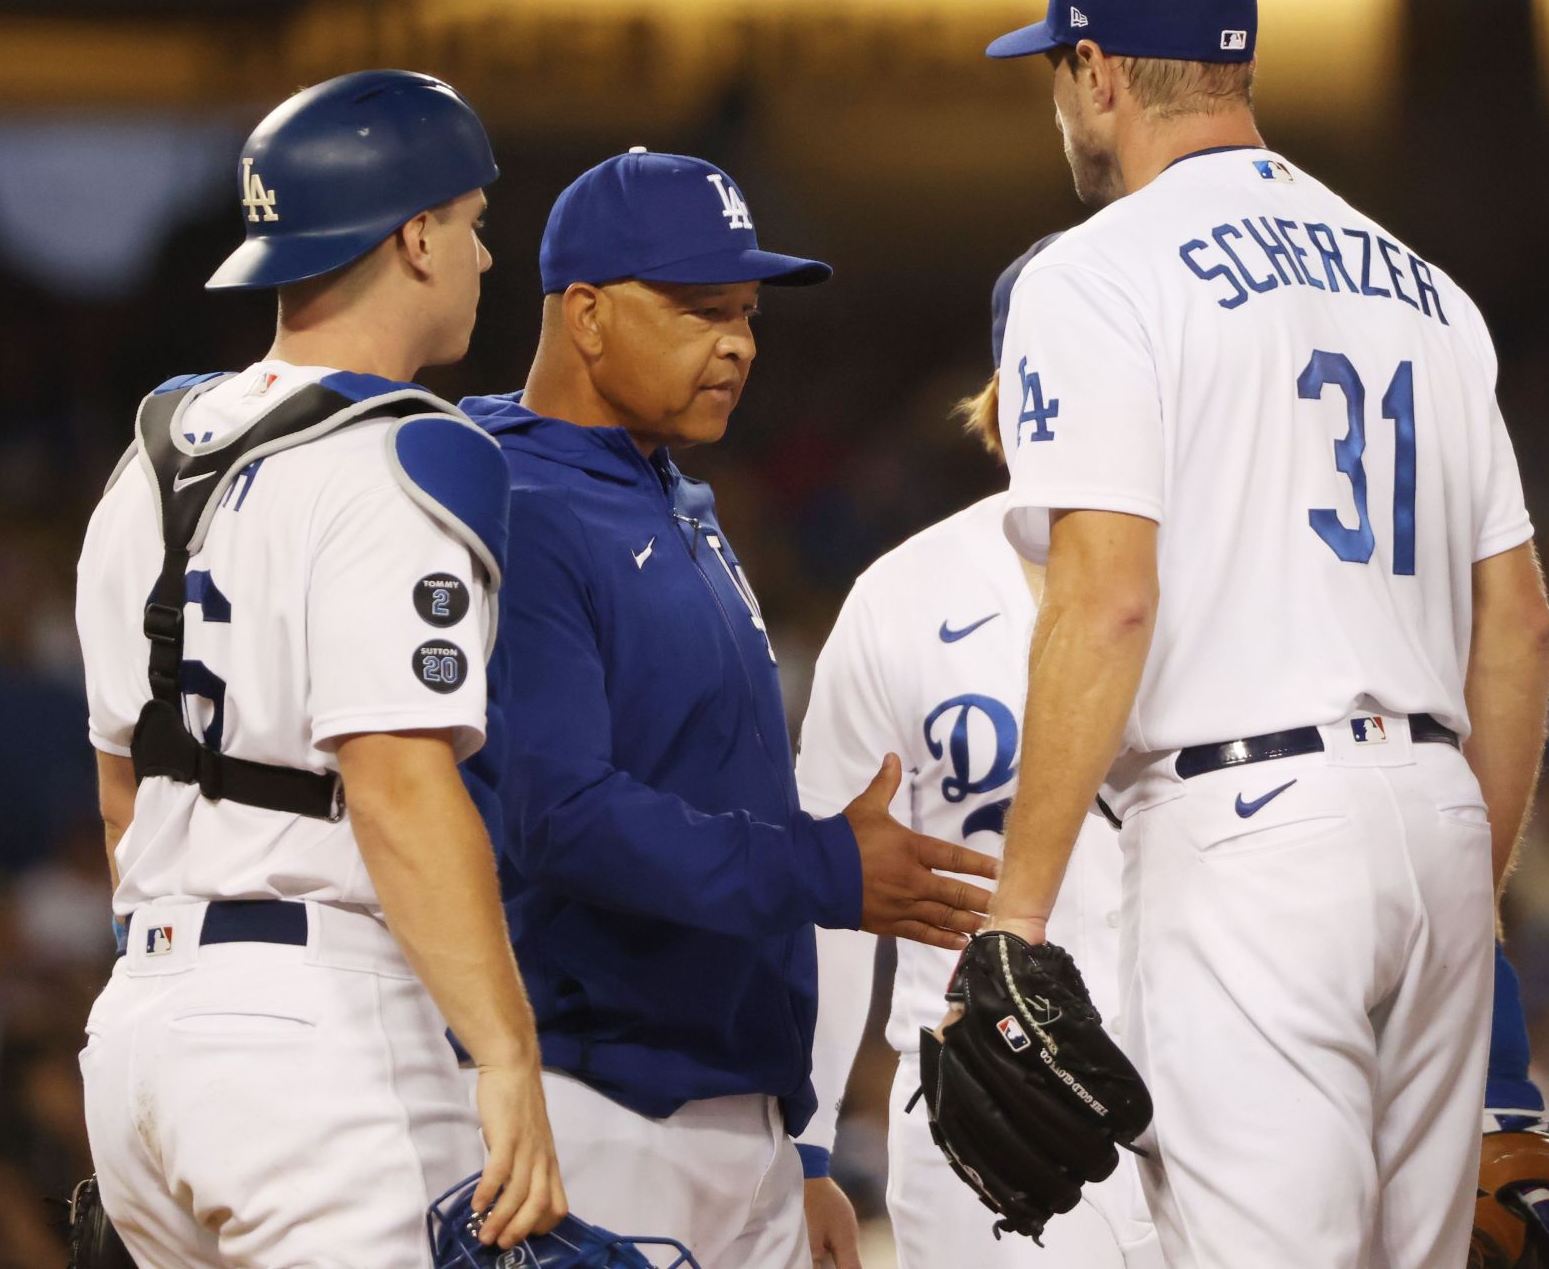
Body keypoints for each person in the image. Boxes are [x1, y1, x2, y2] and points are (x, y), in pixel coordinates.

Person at [957, 0, 1549, 1265]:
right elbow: (1520, 625)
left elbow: (1106, 595)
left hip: (1250, 834)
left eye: (1057, 74)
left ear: (1096, 66)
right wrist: (1463, 886)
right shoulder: (1427, 288)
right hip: (1440, 816)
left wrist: (1015, 916)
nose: (1061, 103)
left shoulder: (1097, 267)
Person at [458, 149, 1000, 1269]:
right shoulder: (517, 499)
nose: (740, 342)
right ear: (589, 314)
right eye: (701, 308)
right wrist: (826, 869)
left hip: (731, 1111)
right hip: (600, 1099)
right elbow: (557, 815)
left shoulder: (675, 495)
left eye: (747, 312)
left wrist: (794, 1150)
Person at [72, 70, 564, 1268]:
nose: (485, 257)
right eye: (471, 224)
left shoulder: (150, 453)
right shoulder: (402, 453)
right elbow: (396, 778)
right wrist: (504, 1052)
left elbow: (121, 794)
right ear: (412, 236)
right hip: (317, 1035)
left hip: (139, 1022)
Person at [797, 238, 1161, 1269]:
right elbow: (828, 894)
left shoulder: (1227, 577)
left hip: (1202, 1078)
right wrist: (811, 1141)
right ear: (1002, 402)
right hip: (981, 1104)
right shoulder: (905, 595)